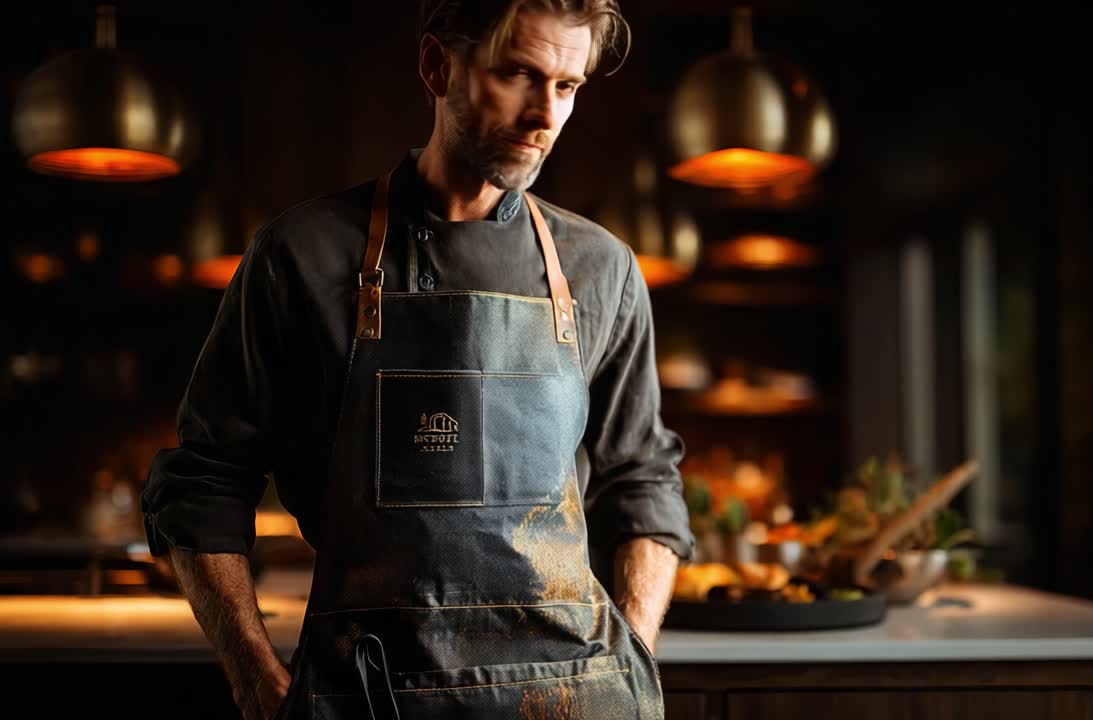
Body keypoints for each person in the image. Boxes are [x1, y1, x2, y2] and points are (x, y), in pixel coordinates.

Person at [140, 1, 693, 717]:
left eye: (568, 86)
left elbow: (644, 479)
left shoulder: (600, 269)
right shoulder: (301, 255)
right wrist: (253, 676)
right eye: (519, 75)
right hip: (369, 698)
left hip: (573, 700)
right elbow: (205, 480)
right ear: (437, 66)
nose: (545, 115)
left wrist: (632, 658)